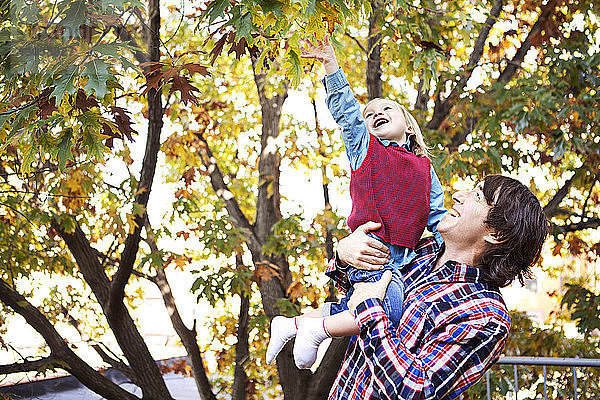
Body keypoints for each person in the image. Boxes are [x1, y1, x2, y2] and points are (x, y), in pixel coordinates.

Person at [265, 34, 447, 369]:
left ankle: (292, 325)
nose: (375, 112)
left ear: (408, 123)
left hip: (400, 263)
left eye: (385, 109)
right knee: (387, 309)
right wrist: (331, 65)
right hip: (370, 254)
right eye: (370, 113)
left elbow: (439, 216)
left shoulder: (425, 167)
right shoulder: (366, 149)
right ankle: (314, 330)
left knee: (372, 310)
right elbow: (347, 112)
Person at [326, 175, 549, 399]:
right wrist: (345, 255)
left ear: (496, 234)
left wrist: (369, 311)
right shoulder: (421, 250)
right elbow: (356, 289)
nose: (458, 195)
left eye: (478, 196)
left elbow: (416, 391)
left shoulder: (487, 315)